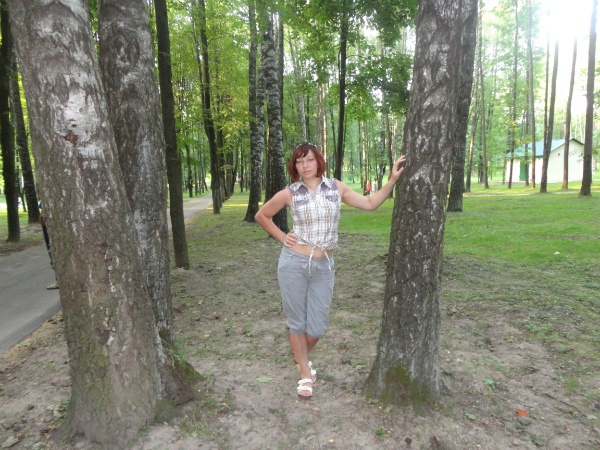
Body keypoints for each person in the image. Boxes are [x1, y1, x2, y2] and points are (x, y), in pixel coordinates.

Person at [255, 142, 406, 398]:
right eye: (299, 161)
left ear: (318, 161)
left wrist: (392, 180)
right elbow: (262, 215)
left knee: (317, 327)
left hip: (324, 265)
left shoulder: (336, 188)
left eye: (309, 160)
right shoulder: (290, 193)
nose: (305, 165)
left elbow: (370, 203)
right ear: (294, 166)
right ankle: (305, 374)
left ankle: (300, 356)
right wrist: (283, 237)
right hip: (293, 263)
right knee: (297, 322)